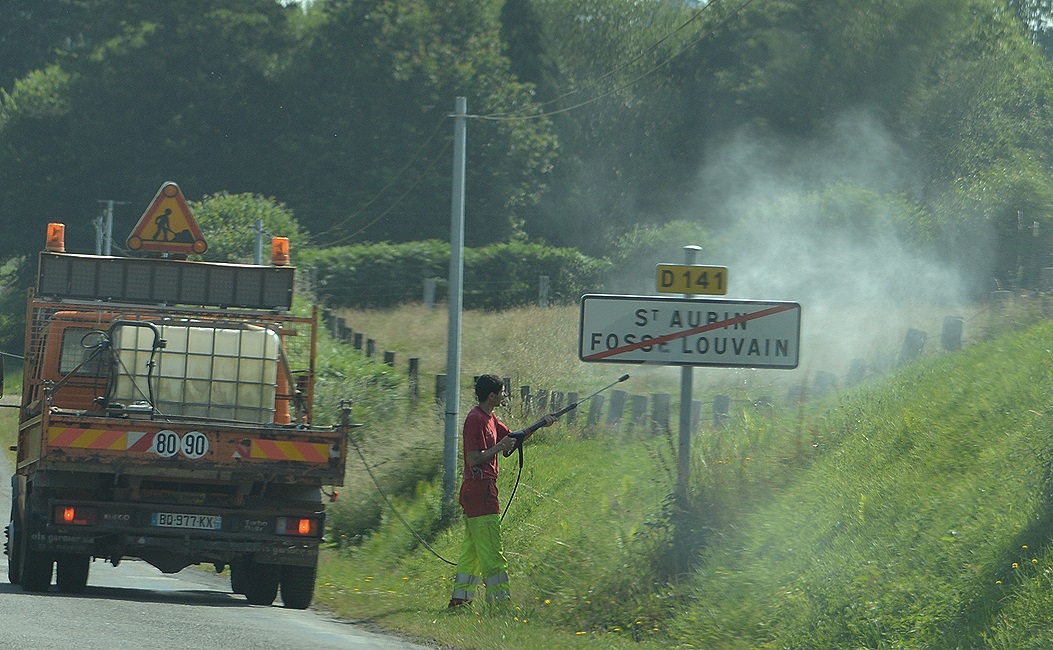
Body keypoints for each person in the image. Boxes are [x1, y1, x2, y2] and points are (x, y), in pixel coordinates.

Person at [448, 374, 554, 608]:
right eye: (503, 392)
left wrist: (540, 424)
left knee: (472, 552)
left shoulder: (491, 418)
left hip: (483, 491)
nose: (505, 396)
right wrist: (498, 447)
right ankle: (501, 605)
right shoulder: (475, 420)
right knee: (493, 552)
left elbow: (513, 438)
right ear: (491, 395)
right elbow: (473, 459)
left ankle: (460, 601)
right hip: (480, 492)